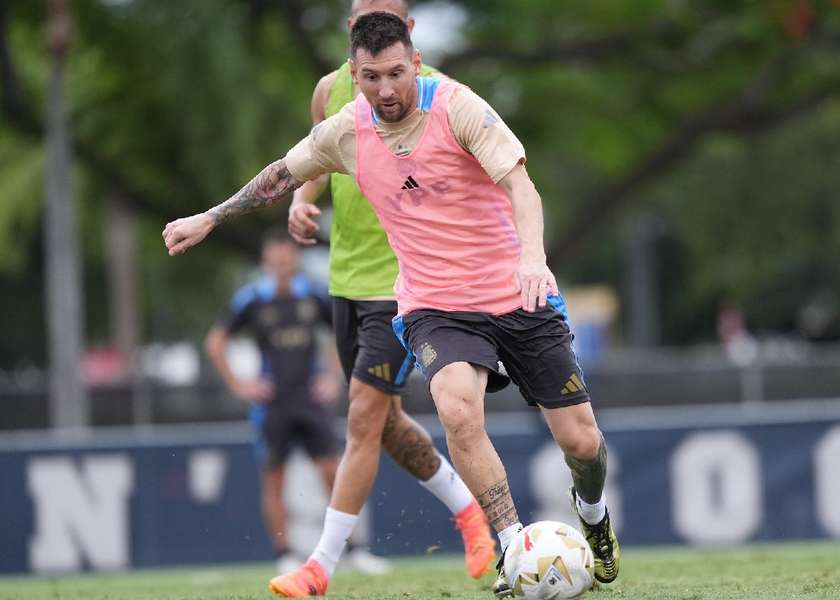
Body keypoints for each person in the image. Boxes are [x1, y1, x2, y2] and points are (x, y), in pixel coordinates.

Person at [162, 11, 620, 599]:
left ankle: (592, 510)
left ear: (417, 64)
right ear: (354, 73)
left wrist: (533, 257)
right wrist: (211, 216)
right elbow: (280, 175)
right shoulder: (344, 130)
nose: (385, 89)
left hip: (515, 289)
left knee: (581, 441)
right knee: (456, 409)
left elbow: (521, 188)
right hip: (433, 303)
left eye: (396, 74)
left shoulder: (459, 107)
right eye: (372, 77)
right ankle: (510, 546)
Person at [278, 0, 496, 592]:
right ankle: (469, 512)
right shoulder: (330, 91)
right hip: (344, 280)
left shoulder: (446, 99)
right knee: (389, 427)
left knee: (361, 418)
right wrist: (303, 199)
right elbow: (320, 153)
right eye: (359, 17)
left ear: (410, 33)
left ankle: (319, 565)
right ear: (350, 31)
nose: (368, 24)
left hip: (401, 287)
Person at [205, 229, 388, 575]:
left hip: (310, 400)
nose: (281, 263)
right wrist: (239, 385)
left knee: (334, 473)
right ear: (266, 261)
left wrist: (333, 375)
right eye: (275, 258)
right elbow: (216, 341)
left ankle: (357, 549)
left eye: (287, 257)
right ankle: (284, 553)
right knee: (274, 478)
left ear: (295, 258)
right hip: (272, 404)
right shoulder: (253, 299)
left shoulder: (314, 295)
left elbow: (342, 333)